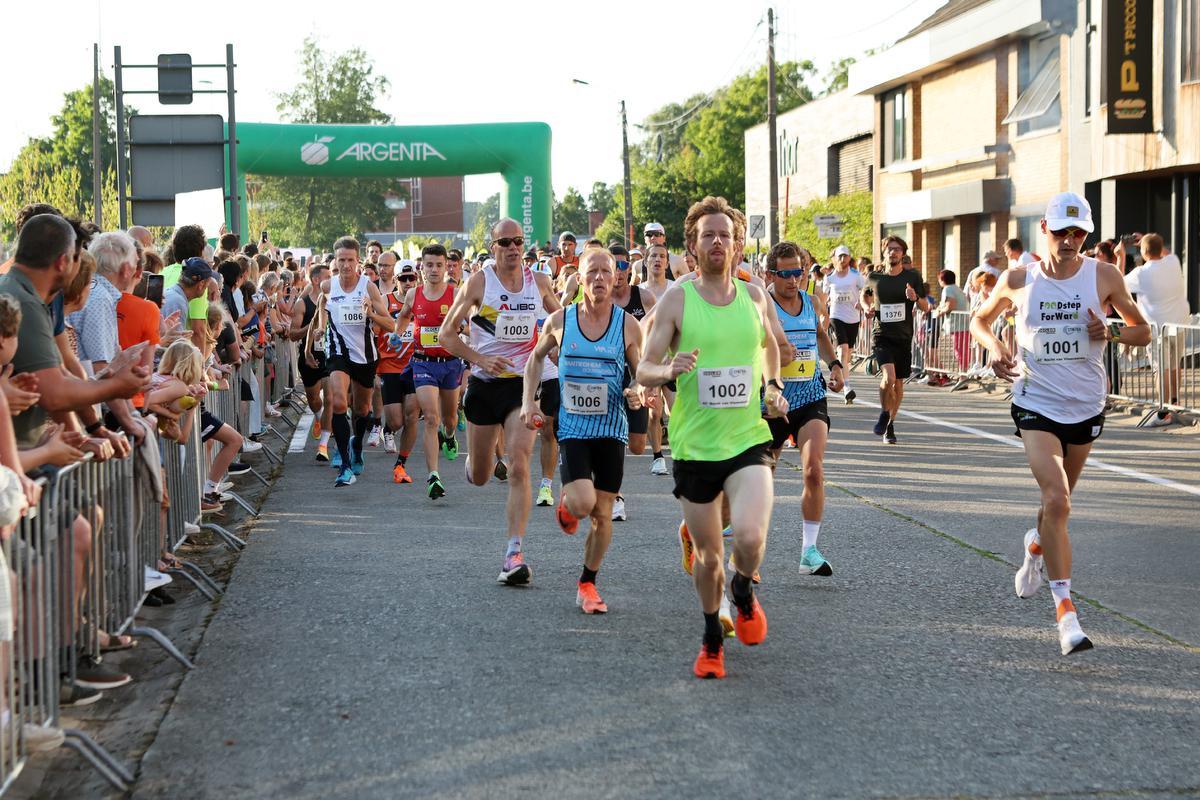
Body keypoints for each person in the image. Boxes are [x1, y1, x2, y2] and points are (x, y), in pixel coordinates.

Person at [970, 192, 1149, 656]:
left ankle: (1035, 549)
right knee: (1057, 498)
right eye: (1062, 231)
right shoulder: (1018, 278)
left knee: (1057, 507)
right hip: (1035, 400)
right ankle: (1066, 612)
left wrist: (1110, 330)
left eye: (1079, 233)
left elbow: (1142, 329)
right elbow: (979, 320)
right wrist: (994, 348)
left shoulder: (1103, 275)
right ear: (1044, 231)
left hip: (1086, 404)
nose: (1070, 241)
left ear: (1086, 236)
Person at [637, 196, 787, 680]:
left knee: (749, 536)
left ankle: (742, 590)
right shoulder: (678, 299)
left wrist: (774, 385)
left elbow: (770, 349)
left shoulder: (755, 296)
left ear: (738, 244)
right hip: (696, 446)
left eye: (725, 234)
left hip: (747, 438)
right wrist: (667, 369)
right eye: (708, 235)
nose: (717, 241)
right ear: (692, 247)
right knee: (708, 556)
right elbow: (643, 366)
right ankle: (710, 635)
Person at [520, 248, 645, 613]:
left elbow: (640, 373)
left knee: (603, 514)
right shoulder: (560, 321)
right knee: (583, 503)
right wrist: (529, 401)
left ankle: (587, 583)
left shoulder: (627, 325)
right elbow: (535, 358)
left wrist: (639, 391)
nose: (601, 278)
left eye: (608, 272)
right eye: (593, 272)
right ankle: (568, 501)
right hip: (573, 428)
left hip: (611, 429)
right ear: (579, 278)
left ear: (618, 277)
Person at [437, 218, 562, 585]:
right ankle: (478, 464)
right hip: (485, 383)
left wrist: (564, 354)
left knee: (519, 465)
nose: (512, 248)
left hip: (524, 385)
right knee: (478, 477)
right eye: (505, 242)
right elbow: (446, 334)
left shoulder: (539, 282)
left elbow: (562, 322)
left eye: (518, 241)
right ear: (493, 246)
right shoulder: (479, 282)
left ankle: (513, 552)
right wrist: (479, 359)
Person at [764, 242, 844, 575]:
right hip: (772, 402)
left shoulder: (811, 301)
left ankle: (809, 551)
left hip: (811, 396)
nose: (793, 279)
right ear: (771, 274)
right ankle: (743, 542)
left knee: (814, 470)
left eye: (798, 271)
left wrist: (835, 363)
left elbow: (822, 336)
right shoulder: (762, 304)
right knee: (761, 478)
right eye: (786, 274)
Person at [308, 237, 392, 487]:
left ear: (358, 261)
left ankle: (356, 445)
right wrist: (321, 328)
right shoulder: (328, 286)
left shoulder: (368, 287)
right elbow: (322, 305)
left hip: (365, 356)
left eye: (350, 260)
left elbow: (390, 324)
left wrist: (370, 313)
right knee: (336, 400)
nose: (346, 265)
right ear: (335, 261)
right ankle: (345, 464)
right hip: (337, 353)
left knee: (362, 410)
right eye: (341, 260)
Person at [393, 244, 463, 499]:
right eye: (429, 265)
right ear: (422, 267)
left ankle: (451, 435)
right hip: (423, 362)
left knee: (449, 419)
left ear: (447, 267)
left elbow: (467, 322)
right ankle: (434, 476)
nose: (434, 269)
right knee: (431, 418)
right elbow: (402, 317)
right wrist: (397, 334)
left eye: (439, 265)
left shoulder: (456, 294)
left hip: (450, 363)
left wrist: (464, 331)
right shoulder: (414, 294)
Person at [861, 236, 929, 444]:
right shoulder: (874, 277)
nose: (893, 252)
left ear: (903, 253)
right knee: (888, 378)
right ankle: (883, 412)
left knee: (898, 385)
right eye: (889, 249)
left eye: (897, 249)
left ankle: (890, 424)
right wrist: (867, 308)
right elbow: (864, 297)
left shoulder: (912, 276)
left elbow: (926, 306)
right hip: (881, 335)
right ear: (884, 252)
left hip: (903, 336)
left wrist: (914, 298)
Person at [1123, 233, 1190, 426]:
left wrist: (1120, 255)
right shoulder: (1173, 262)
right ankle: (1175, 403)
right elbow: (1165, 252)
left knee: (1162, 369)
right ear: (1160, 249)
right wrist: (1146, 238)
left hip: (1158, 329)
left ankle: (1163, 412)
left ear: (1143, 252)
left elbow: (1117, 282)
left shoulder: (1141, 273)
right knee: (1176, 365)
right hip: (1178, 323)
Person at [377, 262, 420, 482]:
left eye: (411, 278)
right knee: (396, 422)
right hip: (390, 366)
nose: (407, 282)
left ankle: (401, 464)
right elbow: (375, 330)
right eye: (403, 279)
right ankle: (388, 429)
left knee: (412, 416)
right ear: (395, 280)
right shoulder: (385, 301)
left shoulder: (421, 302)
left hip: (416, 365)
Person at [292, 264, 334, 460]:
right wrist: (312, 326)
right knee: (314, 398)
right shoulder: (302, 304)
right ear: (317, 280)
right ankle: (319, 419)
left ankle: (323, 445)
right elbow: (292, 334)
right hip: (309, 357)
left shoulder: (335, 300)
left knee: (330, 398)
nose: (332, 279)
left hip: (330, 358)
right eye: (328, 276)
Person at [822, 244, 865, 404]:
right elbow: (823, 297)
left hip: (853, 318)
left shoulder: (856, 276)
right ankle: (847, 387)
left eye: (845, 256)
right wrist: (822, 312)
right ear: (834, 259)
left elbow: (867, 290)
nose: (842, 259)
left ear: (849, 258)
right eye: (839, 256)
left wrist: (864, 303)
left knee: (847, 356)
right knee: (842, 350)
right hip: (836, 315)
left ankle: (840, 378)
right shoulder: (830, 278)